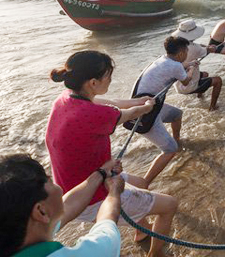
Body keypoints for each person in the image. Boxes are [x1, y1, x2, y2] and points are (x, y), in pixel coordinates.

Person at [46, 50, 178, 257]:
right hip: (91, 195)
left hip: (75, 185)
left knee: (142, 184)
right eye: (108, 76)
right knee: (170, 204)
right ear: (93, 83)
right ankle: (156, 255)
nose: (110, 80)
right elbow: (127, 115)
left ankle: (141, 233)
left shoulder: (66, 99)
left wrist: (138, 101)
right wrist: (145, 107)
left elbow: (113, 104)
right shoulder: (93, 113)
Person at [0, 154, 124, 256]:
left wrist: (102, 173)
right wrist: (114, 191)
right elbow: (106, 232)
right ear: (41, 211)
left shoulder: (20, 233)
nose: (57, 187)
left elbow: (69, 205)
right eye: (49, 180)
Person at [135, 36, 198, 186]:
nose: (187, 54)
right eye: (187, 51)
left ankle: (177, 141)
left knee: (177, 115)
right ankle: (145, 183)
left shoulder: (163, 60)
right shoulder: (175, 66)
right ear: (182, 52)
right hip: (145, 113)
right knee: (170, 150)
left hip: (148, 104)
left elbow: (177, 68)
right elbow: (186, 81)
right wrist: (192, 68)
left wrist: (189, 64)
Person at [171, 19, 223, 111]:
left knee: (205, 74)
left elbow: (198, 46)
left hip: (177, 84)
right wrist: (211, 49)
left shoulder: (177, 46)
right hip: (188, 86)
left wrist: (206, 47)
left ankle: (199, 96)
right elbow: (206, 51)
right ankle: (212, 107)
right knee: (218, 80)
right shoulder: (195, 48)